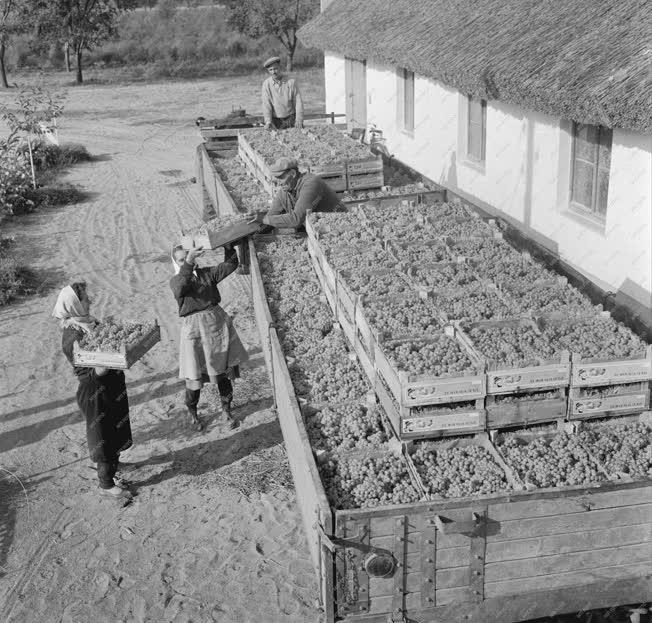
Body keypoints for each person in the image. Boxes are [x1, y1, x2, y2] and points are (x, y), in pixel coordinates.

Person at [53, 282, 133, 501]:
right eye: (85, 299)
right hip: (94, 390)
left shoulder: (87, 324)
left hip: (110, 385)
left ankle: (114, 465)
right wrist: (101, 366)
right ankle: (106, 484)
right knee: (103, 435)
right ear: (74, 305)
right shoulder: (73, 337)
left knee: (116, 426)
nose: (91, 301)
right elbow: (86, 369)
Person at [170, 242, 248, 431]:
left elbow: (230, 265)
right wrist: (188, 263)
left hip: (217, 325)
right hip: (195, 332)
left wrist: (228, 247)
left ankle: (226, 411)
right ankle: (193, 414)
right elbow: (180, 287)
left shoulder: (207, 274)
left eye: (188, 256)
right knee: (194, 376)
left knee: (222, 373)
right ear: (176, 262)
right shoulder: (176, 281)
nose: (186, 260)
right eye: (181, 259)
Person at [249, 157, 346, 230]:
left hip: (339, 226)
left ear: (293, 174)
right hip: (317, 227)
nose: (278, 182)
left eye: (281, 178)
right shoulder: (285, 190)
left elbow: (296, 220)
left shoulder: (311, 183)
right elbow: (271, 216)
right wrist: (255, 221)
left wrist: (263, 219)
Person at [261, 56, 304, 130]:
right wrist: (268, 122)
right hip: (275, 120)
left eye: (275, 69)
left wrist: (299, 120)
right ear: (268, 71)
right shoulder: (266, 84)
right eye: (270, 70)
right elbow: (266, 105)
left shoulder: (291, 82)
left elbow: (298, 102)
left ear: (280, 67)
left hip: (291, 118)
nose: (273, 72)